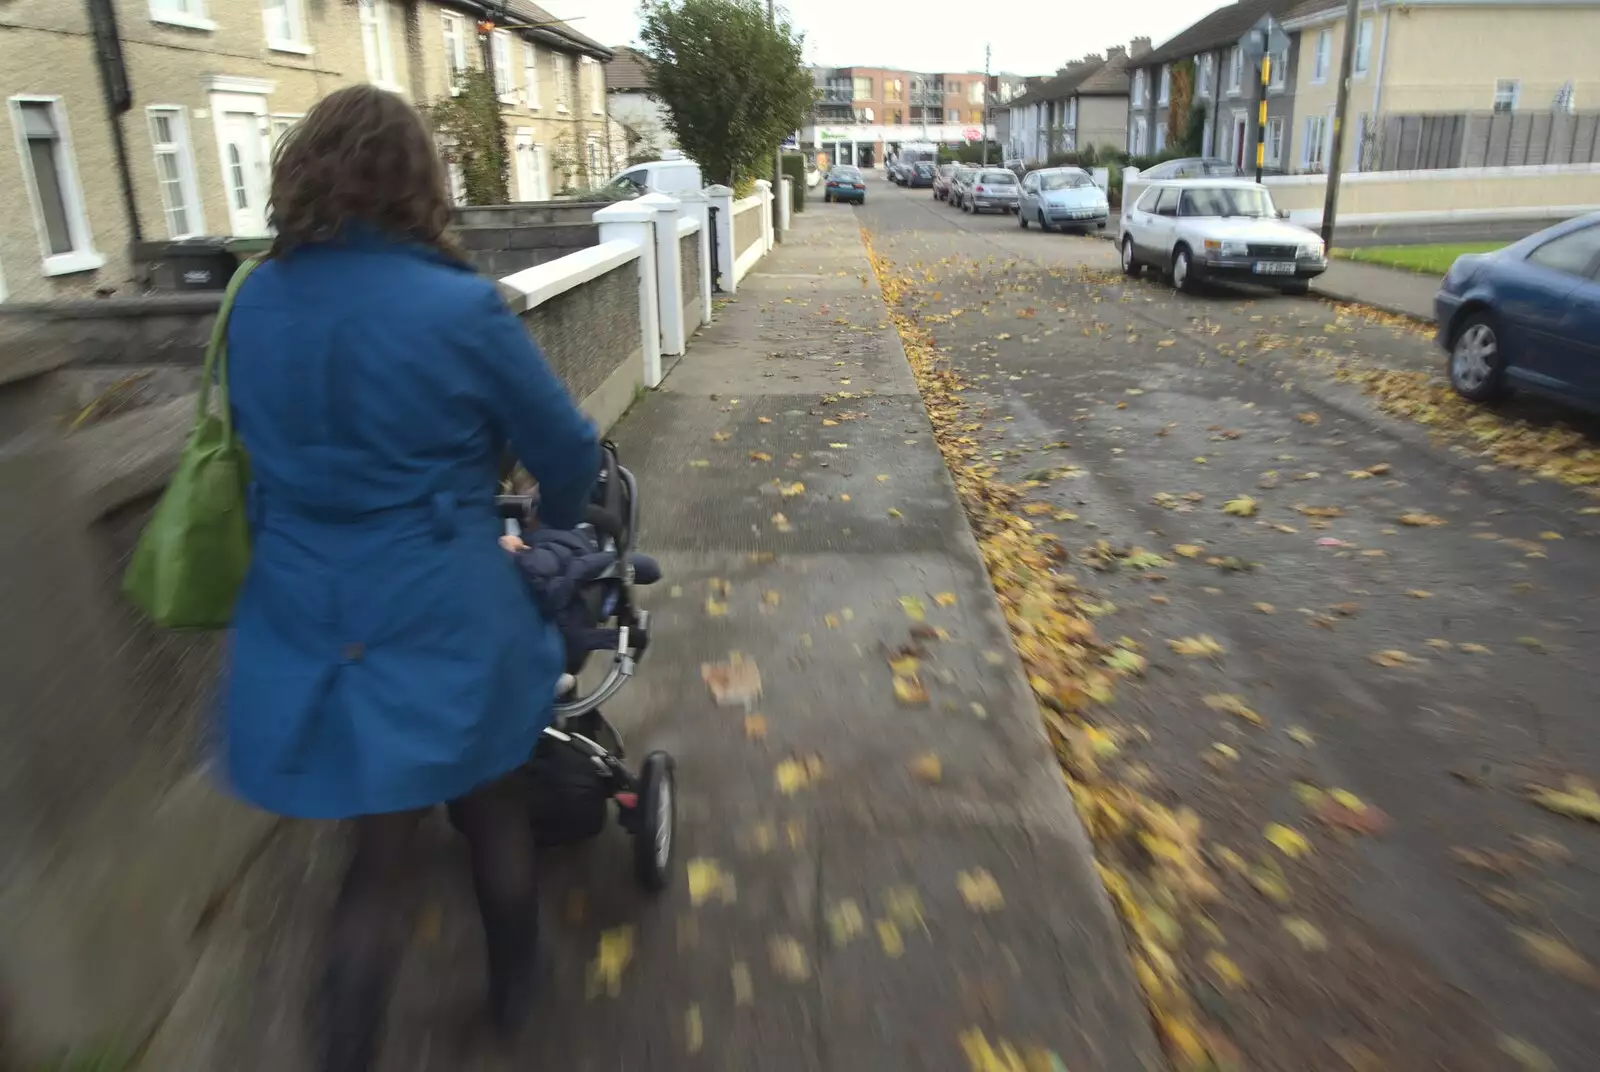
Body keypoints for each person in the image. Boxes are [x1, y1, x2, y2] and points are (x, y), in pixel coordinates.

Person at [220, 84, 599, 1071]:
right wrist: (544, 538)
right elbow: (568, 455)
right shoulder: (460, 308)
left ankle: (343, 1047)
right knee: (488, 799)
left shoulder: (253, 297)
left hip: (307, 607)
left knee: (378, 853)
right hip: (442, 603)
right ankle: (516, 987)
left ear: (304, 170)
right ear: (418, 184)